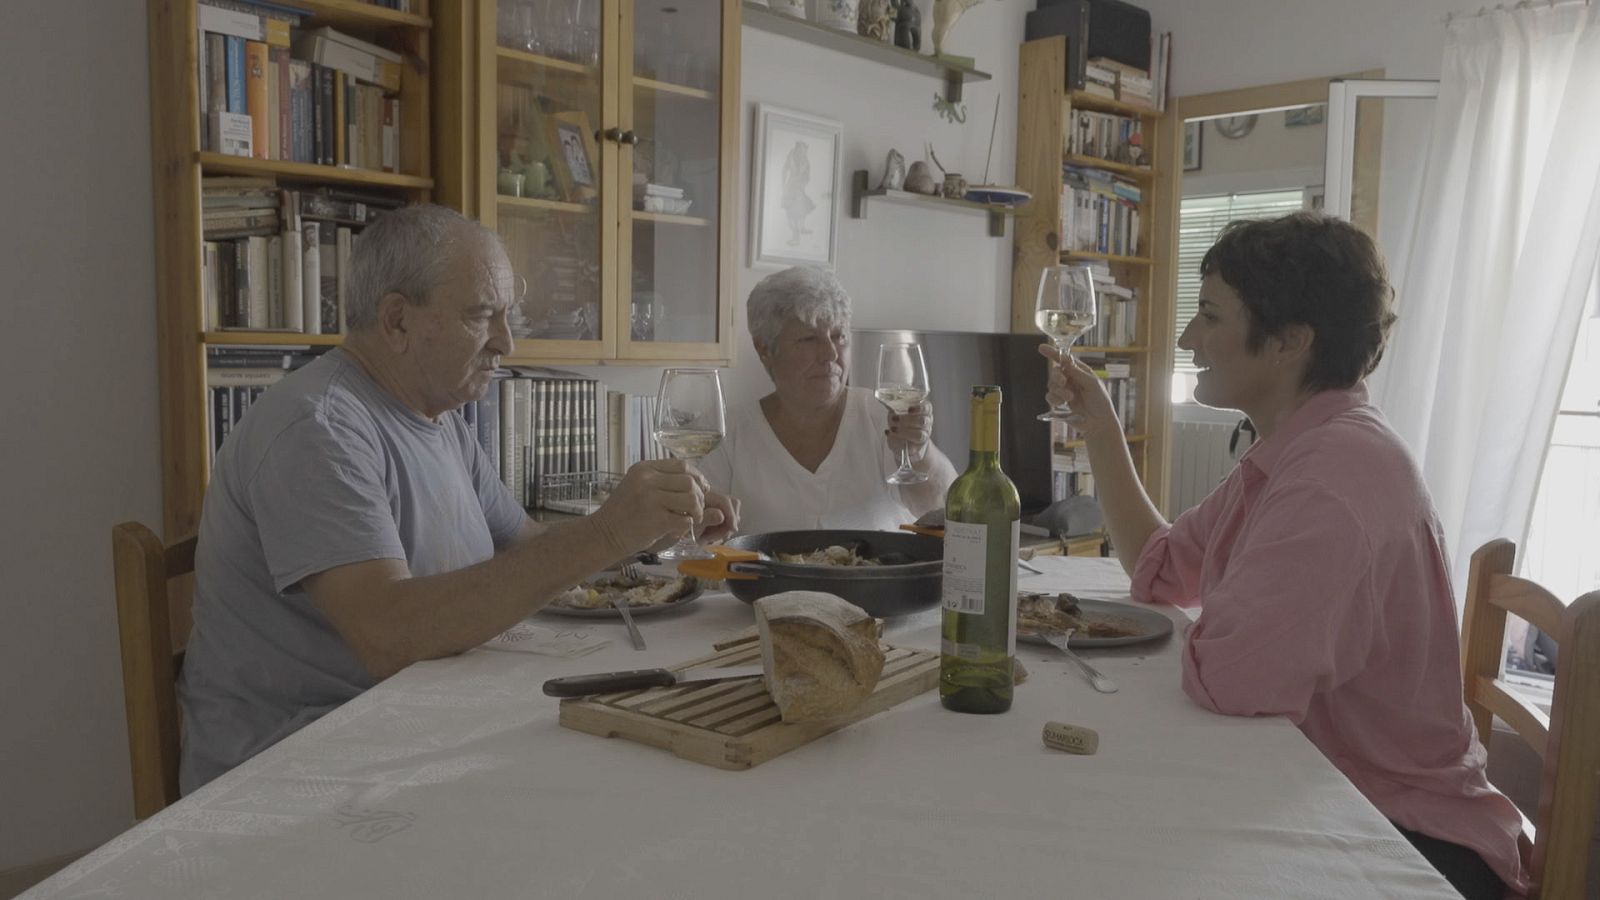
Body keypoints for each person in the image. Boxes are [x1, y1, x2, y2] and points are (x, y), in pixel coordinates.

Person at [1042, 212, 1526, 898]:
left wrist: (1228, 613)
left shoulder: (1332, 480)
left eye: (1210, 316)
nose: (1186, 338)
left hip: (1409, 838)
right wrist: (1098, 423)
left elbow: (1231, 680)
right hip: (1325, 784)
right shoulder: (1298, 447)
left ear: (1290, 341)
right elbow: (1162, 566)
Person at [178, 205, 738, 792]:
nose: (507, 342)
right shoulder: (318, 430)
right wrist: (604, 534)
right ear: (396, 321)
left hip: (408, 727)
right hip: (292, 766)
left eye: (507, 316)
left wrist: (648, 528)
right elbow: (391, 637)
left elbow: (530, 550)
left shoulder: (439, 419)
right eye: (482, 316)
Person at [698, 266, 956, 535]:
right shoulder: (727, 431)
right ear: (765, 349)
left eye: (839, 337)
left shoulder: (882, 415)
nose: (830, 354)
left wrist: (919, 453)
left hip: (878, 576)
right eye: (809, 339)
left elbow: (942, 510)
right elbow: (697, 535)